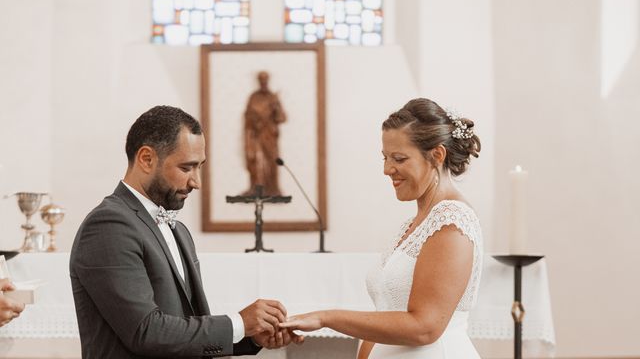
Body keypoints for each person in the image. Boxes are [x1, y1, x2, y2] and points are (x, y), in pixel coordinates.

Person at [70, 105, 302, 358]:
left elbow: (184, 327)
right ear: (146, 159)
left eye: (199, 166)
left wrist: (249, 336)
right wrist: (238, 323)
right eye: (186, 168)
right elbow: (145, 332)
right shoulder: (108, 225)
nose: (196, 182)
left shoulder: (178, 229)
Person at [281, 98, 484, 358]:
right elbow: (386, 314)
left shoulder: (452, 221)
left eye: (399, 158)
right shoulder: (412, 226)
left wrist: (325, 318)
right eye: (385, 157)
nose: (388, 169)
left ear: (437, 155)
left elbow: (425, 328)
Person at [243, 71, 287, 196]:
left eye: (265, 80)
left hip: (270, 137)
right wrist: (254, 122)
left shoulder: (273, 97)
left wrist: (276, 107)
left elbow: (282, 118)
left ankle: (272, 189)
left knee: (271, 163)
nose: (263, 82)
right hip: (255, 136)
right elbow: (247, 116)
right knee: (256, 162)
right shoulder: (253, 97)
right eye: (261, 80)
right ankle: (256, 188)